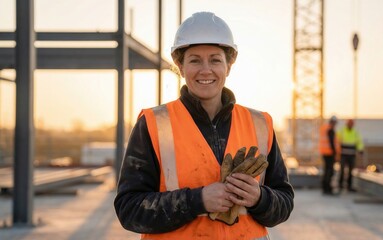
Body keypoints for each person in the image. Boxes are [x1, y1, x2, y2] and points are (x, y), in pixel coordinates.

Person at [114, 12, 294, 239]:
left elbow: (285, 202)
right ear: (180, 66)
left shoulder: (260, 124)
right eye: (195, 60)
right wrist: (197, 201)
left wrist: (259, 198)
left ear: (228, 66)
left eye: (215, 60)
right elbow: (129, 209)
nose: (206, 70)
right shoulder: (153, 124)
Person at [337, 119, 364, 192]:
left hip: (352, 155)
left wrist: (360, 149)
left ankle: (349, 186)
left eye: (351, 124)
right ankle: (340, 185)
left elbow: (359, 141)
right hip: (343, 154)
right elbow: (337, 141)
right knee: (342, 170)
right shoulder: (342, 131)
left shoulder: (355, 132)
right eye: (349, 124)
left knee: (351, 171)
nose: (350, 125)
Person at [319, 115, 339, 195]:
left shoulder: (325, 128)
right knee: (329, 171)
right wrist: (335, 153)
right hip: (329, 153)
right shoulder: (330, 130)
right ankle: (327, 189)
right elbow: (332, 143)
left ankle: (325, 188)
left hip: (325, 153)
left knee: (326, 170)